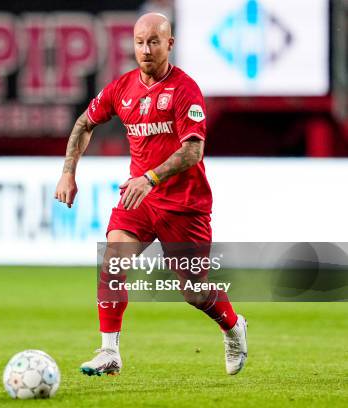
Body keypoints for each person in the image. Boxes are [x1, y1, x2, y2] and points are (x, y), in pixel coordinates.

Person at [54, 13, 247, 376]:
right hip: (140, 201)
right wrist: (68, 172)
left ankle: (234, 326)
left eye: (154, 42)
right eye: (140, 42)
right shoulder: (121, 88)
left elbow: (194, 150)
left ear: (169, 44)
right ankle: (109, 351)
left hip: (184, 206)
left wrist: (151, 177)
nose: (146, 49)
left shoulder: (185, 89)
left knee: (193, 291)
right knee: (113, 261)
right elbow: (84, 123)